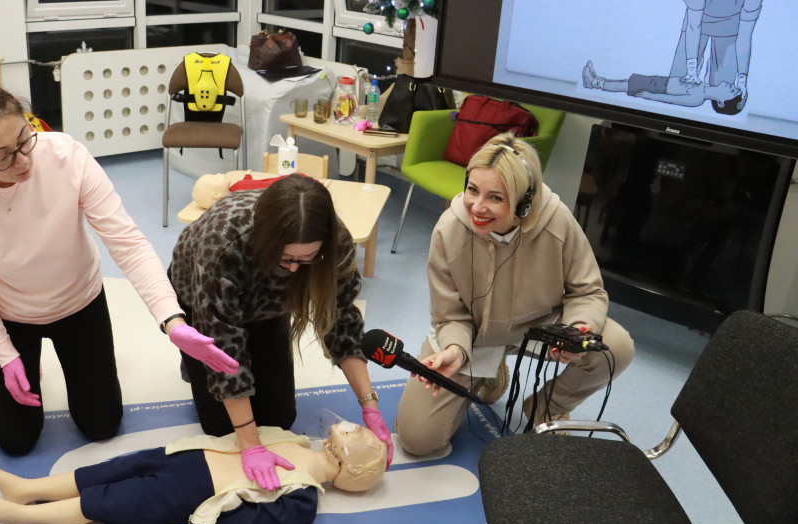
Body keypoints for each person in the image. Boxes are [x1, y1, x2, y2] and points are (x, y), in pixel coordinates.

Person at [0, 75, 238, 456]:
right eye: (3, 156)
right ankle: (25, 363)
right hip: (9, 311)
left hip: (78, 302)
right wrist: (5, 356)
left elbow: (127, 242)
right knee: (14, 441)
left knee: (102, 426)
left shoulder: (66, 156)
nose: (23, 161)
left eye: (24, 139)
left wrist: (171, 319)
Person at [394, 132, 635, 456]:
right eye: (472, 190)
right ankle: (488, 373)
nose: (477, 207)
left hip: (541, 328)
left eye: (496, 197)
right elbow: (450, 314)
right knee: (417, 439)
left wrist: (579, 329)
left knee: (616, 347)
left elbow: (587, 291)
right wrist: (454, 348)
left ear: (524, 202)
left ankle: (547, 407)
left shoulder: (557, 222)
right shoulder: (449, 231)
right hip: (474, 336)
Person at [167, 173, 393, 489]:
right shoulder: (223, 243)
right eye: (287, 258)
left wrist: (369, 405)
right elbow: (224, 349)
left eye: (307, 259)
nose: (295, 268)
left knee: (279, 421)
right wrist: (250, 445)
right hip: (201, 297)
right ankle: (192, 363)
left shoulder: (334, 239)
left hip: (269, 304)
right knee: (223, 430)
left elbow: (342, 321)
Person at [0, 421, 388, 524]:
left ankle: (25, 515)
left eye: (355, 441)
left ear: (352, 471)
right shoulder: (295, 439)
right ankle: (26, 488)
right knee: (107, 472)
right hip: (186, 457)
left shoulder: (302, 498)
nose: (339, 434)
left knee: (107, 501)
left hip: (189, 496)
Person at [582, 60, 741, 108]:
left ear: (721, 102)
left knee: (627, 85)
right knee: (628, 82)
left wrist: (651, 96)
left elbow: (671, 100)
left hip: (660, 88)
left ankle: (595, 83)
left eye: (732, 91)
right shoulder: (703, 84)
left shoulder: (698, 100)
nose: (731, 86)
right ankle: (597, 80)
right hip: (662, 81)